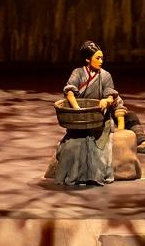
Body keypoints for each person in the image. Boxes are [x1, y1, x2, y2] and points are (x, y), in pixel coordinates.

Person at [55, 41, 129, 188]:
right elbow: (70, 92)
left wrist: (106, 101)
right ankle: (75, 176)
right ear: (88, 59)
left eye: (102, 58)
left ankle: (95, 176)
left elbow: (110, 95)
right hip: (80, 120)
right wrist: (77, 109)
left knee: (99, 149)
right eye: (97, 58)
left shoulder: (105, 75)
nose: (101, 61)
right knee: (73, 146)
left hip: (99, 120)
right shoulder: (78, 73)